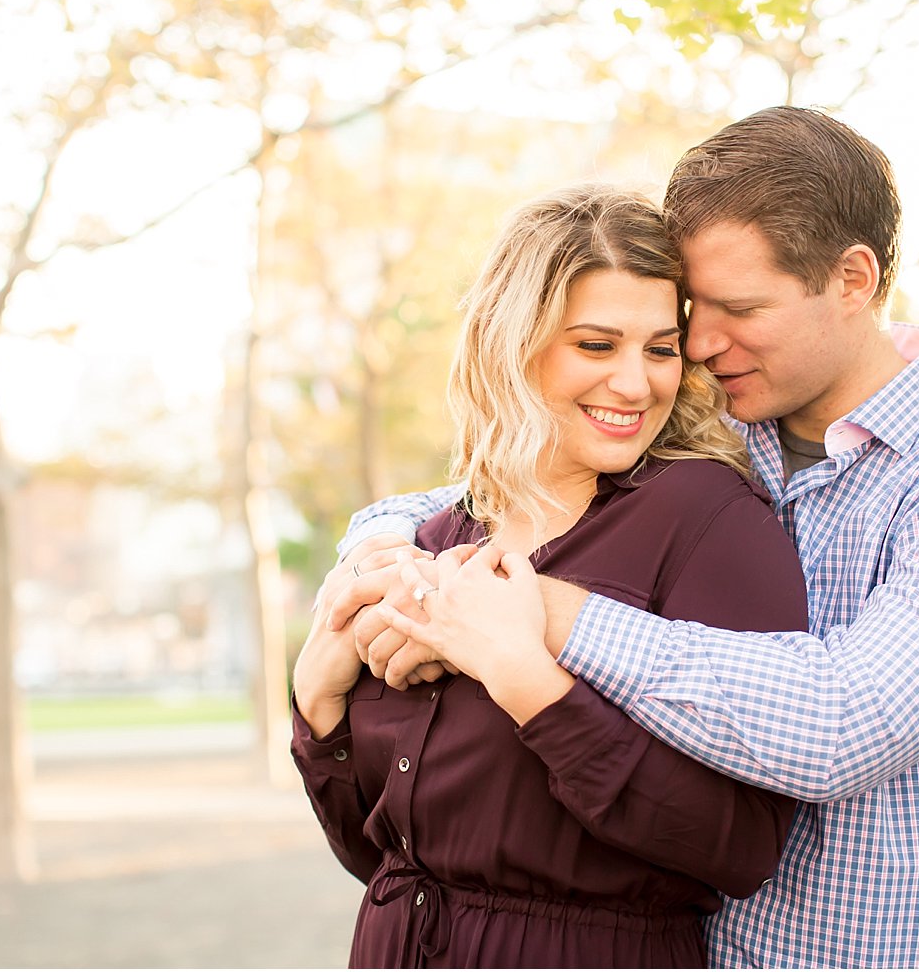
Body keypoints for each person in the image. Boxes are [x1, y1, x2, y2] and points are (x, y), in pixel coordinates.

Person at [328, 107, 919, 969]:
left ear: (852, 279)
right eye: (693, 309)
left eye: (740, 308)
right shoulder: (714, 424)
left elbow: (844, 725)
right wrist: (386, 558)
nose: (701, 344)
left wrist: (540, 610)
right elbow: (485, 489)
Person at [290, 184, 810, 968]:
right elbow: (387, 859)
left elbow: (736, 846)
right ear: (511, 342)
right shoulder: (438, 537)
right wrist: (318, 705)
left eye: (660, 349)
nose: (636, 385)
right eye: (597, 346)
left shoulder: (708, 520)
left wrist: (522, 674)